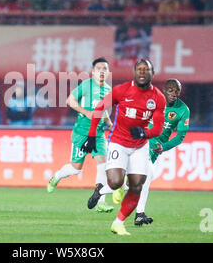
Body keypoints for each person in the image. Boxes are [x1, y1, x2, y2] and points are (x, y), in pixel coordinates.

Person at [81, 58, 165, 235]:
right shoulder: (122, 90)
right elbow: (99, 107)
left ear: (153, 73)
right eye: (139, 69)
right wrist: (91, 135)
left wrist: (145, 134)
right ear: (134, 72)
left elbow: (157, 128)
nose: (142, 72)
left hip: (140, 146)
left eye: (146, 70)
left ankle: (118, 223)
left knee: (137, 185)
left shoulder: (158, 97)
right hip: (118, 142)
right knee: (115, 182)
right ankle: (103, 189)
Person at [112, 79, 190, 226]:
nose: (174, 93)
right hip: (142, 145)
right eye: (171, 90)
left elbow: (180, 137)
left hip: (155, 150)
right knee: (145, 178)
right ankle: (139, 213)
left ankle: (103, 191)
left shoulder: (183, 110)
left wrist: (164, 147)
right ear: (165, 90)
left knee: (141, 179)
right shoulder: (153, 100)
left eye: (177, 90)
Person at [47, 57, 114, 213]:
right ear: (93, 72)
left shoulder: (109, 90)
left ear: (108, 72)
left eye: (105, 69)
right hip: (81, 133)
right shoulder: (86, 85)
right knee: (76, 168)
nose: (102, 71)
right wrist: (86, 112)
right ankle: (56, 177)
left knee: (103, 166)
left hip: (98, 133)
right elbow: (69, 100)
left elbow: (103, 110)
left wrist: (109, 123)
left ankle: (100, 202)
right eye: (99, 69)